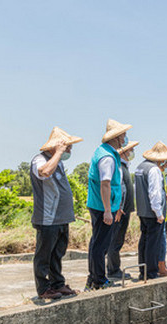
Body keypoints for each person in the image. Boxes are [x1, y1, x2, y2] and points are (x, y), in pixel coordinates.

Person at [30, 127, 83, 299]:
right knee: (44, 255)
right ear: (56, 146)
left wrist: (58, 155)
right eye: (67, 147)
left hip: (61, 218)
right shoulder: (39, 159)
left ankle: (57, 284)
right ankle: (44, 288)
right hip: (48, 218)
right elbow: (44, 172)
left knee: (57, 254)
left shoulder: (58, 161)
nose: (69, 150)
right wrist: (58, 153)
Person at [86, 118, 132, 290]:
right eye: (124, 135)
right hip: (103, 207)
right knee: (101, 245)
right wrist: (107, 210)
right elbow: (105, 183)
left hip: (101, 204)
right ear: (117, 137)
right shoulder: (107, 157)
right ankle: (99, 280)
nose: (125, 139)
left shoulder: (103, 151)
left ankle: (93, 277)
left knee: (96, 242)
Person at [134, 141, 167, 279]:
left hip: (142, 211)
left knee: (144, 242)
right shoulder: (154, 170)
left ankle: (143, 270)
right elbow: (155, 194)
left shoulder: (140, 167)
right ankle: (151, 272)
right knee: (153, 244)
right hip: (153, 213)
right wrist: (159, 214)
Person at [106, 140, 139, 279]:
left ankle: (114, 268)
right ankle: (113, 270)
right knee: (115, 240)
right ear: (124, 152)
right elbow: (119, 188)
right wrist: (119, 207)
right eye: (130, 150)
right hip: (120, 211)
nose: (132, 152)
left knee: (118, 240)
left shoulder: (125, 166)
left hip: (124, 210)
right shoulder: (119, 167)